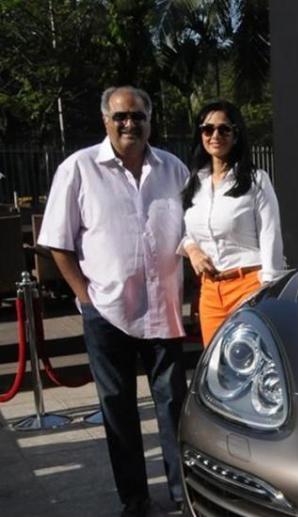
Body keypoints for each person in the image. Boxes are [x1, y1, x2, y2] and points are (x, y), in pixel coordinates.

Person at [37, 86, 188, 517]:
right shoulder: (79, 168)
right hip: (107, 313)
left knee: (173, 406)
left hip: (163, 311)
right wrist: (85, 297)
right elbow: (58, 243)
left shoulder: (173, 169)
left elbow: (193, 232)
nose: (129, 124)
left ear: (150, 120)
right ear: (105, 120)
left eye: (138, 116)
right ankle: (135, 499)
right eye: (120, 116)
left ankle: (182, 493)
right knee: (118, 410)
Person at [181, 100, 285, 345]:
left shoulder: (256, 180)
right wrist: (192, 249)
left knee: (254, 358)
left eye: (224, 129)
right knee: (215, 361)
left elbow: (270, 235)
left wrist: (268, 290)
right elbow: (185, 231)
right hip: (210, 291)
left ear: (236, 135)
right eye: (208, 129)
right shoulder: (194, 183)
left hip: (248, 287)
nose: (215, 135)